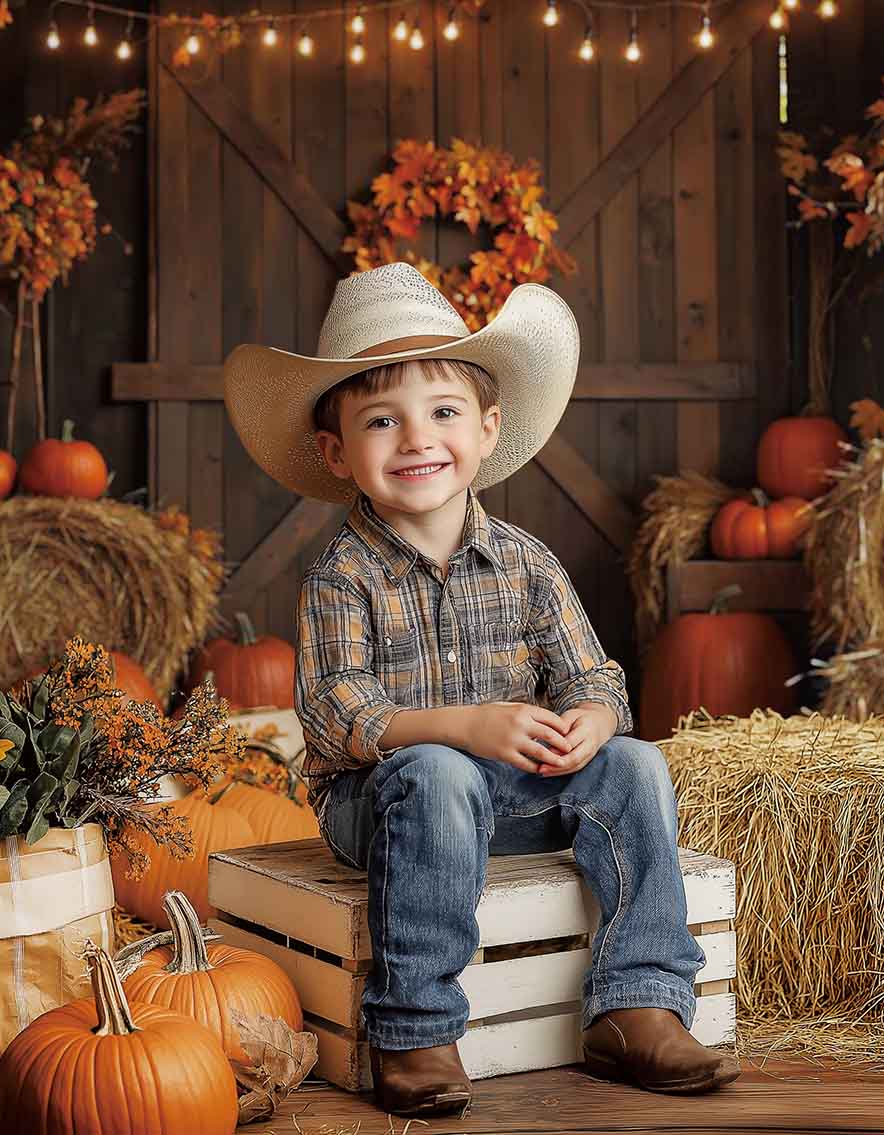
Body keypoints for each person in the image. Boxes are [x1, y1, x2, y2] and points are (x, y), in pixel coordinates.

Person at [223, 262, 739, 1117]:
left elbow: (594, 674)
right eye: (381, 419)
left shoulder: (528, 563)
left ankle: (637, 1000)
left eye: (444, 411)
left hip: (506, 797)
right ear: (336, 450)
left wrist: (590, 720)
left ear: (488, 427)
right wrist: (466, 726)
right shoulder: (340, 578)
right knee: (440, 770)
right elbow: (337, 710)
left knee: (636, 764)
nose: (416, 438)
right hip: (382, 806)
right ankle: (415, 1025)